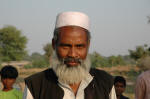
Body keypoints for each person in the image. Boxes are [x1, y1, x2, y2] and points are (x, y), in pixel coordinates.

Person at [24, 11, 116, 99]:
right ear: (54, 44)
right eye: (65, 46)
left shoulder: (105, 82)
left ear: (88, 45)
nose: (72, 54)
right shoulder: (35, 85)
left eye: (79, 46)